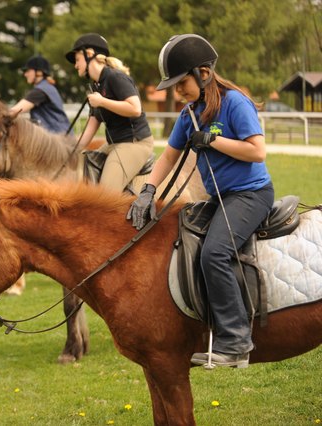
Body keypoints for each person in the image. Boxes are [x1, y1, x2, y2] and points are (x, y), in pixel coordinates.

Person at [127, 34, 274, 368]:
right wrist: (148, 190)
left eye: (181, 84)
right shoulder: (188, 114)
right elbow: (167, 157)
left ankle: (236, 340)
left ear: (204, 73)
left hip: (251, 195)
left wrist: (213, 140)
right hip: (219, 199)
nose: (177, 92)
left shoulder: (235, 102)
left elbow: (257, 151)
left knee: (215, 253)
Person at [65, 33, 154, 192]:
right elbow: (91, 125)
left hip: (134, 143)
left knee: (105, 195)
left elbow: (135, 108)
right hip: (113, 144)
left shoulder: (115, 76)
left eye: (77, 60)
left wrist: (102, 101)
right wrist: (71, 150)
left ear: (89, 54)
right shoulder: (96, 86)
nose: (75, 65)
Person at [10, 55, 70, 134]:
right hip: (63, 136)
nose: (25, 74)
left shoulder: (40, 91)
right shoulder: (48, 87)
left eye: (28, 71)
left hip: (56, 139)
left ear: (39, 72)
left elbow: (14, 111)